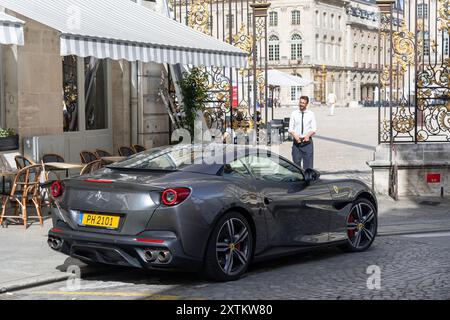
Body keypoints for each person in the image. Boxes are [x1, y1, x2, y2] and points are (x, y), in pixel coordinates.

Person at [288, 96, 317, 170]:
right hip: (297, 142)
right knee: (296, 164)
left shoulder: (311, 114)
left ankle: (308, 180)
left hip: (307, 143)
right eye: (300, 102)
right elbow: (290, 128)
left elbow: (313, 129)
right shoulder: (294, 113)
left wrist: (307, 136)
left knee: (308, 166)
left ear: (307, 104)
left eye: (303, 103)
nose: (301, 104)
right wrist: (295, 136)